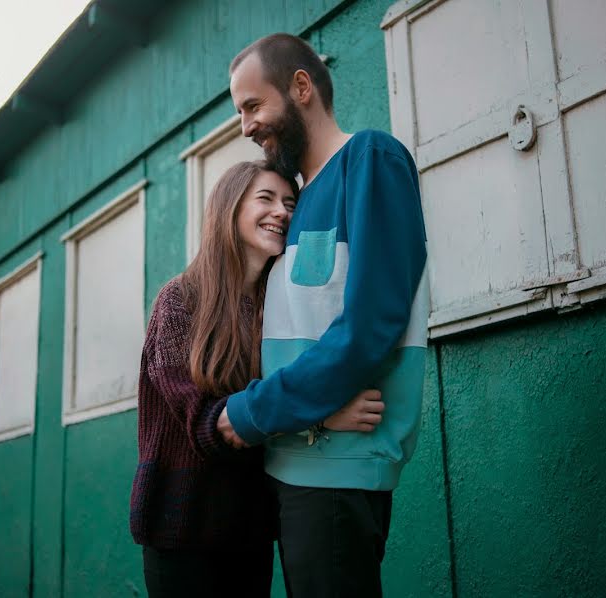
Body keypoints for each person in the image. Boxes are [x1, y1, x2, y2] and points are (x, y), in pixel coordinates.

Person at [216, 34, 429, 597]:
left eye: (252, 106)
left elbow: (371, 325)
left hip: (338, 472)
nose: (245, 127)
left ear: (301, 88)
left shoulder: (371, 160)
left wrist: (257, 411)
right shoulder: (300, 200)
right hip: (294, 466)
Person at [129, 160, 386, 598]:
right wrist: (320, 414)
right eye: (265, 198)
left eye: (290, 203)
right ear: (229, 208)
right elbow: (207, 425)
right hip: (182, 527)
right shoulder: (179, 301)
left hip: (250, 525)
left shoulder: (279, 304)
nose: (282, 212)